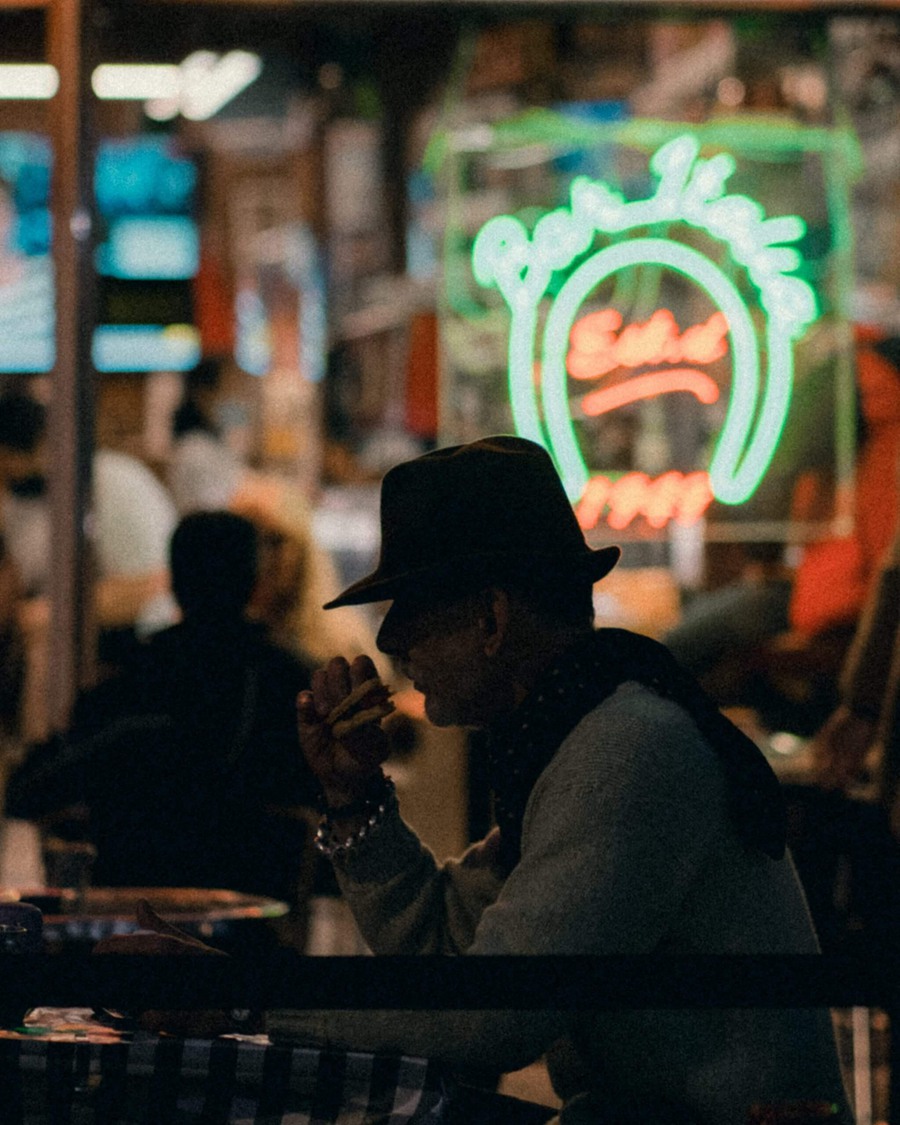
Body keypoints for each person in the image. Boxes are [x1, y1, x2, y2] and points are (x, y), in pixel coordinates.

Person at [262, 435, 851, 1124]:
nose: (391, 640)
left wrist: (248, 999)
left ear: (492, 618)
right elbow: (444, 951)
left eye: (412, 606)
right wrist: (354, 794)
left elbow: (493, 1014)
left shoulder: (628, 750)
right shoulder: (574, 731)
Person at [5, 511, 320, 913]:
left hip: (132, 928)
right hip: (261, 933)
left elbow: (29, 789)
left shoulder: (131, 681)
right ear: (257, 584)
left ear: (173, 581)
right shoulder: (295, 685)